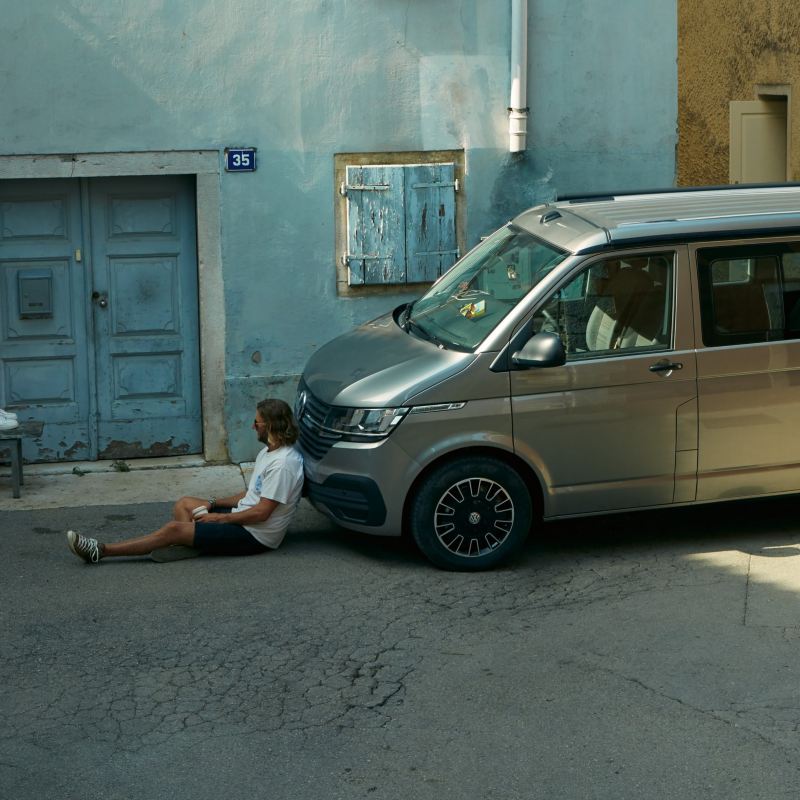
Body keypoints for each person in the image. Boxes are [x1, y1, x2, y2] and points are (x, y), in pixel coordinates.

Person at [65, 398, 304, 564]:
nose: (253, 426)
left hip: (255, 536)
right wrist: (212, 503)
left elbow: (262, 512)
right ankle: (192, 544)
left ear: (270, 426)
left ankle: (101, 551)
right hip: (245, 518)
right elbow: (251, 493)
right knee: (185, 503)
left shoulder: (283, 464)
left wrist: (219, 518)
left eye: (257, 423)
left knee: (173, 528)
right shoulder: (268, 452)